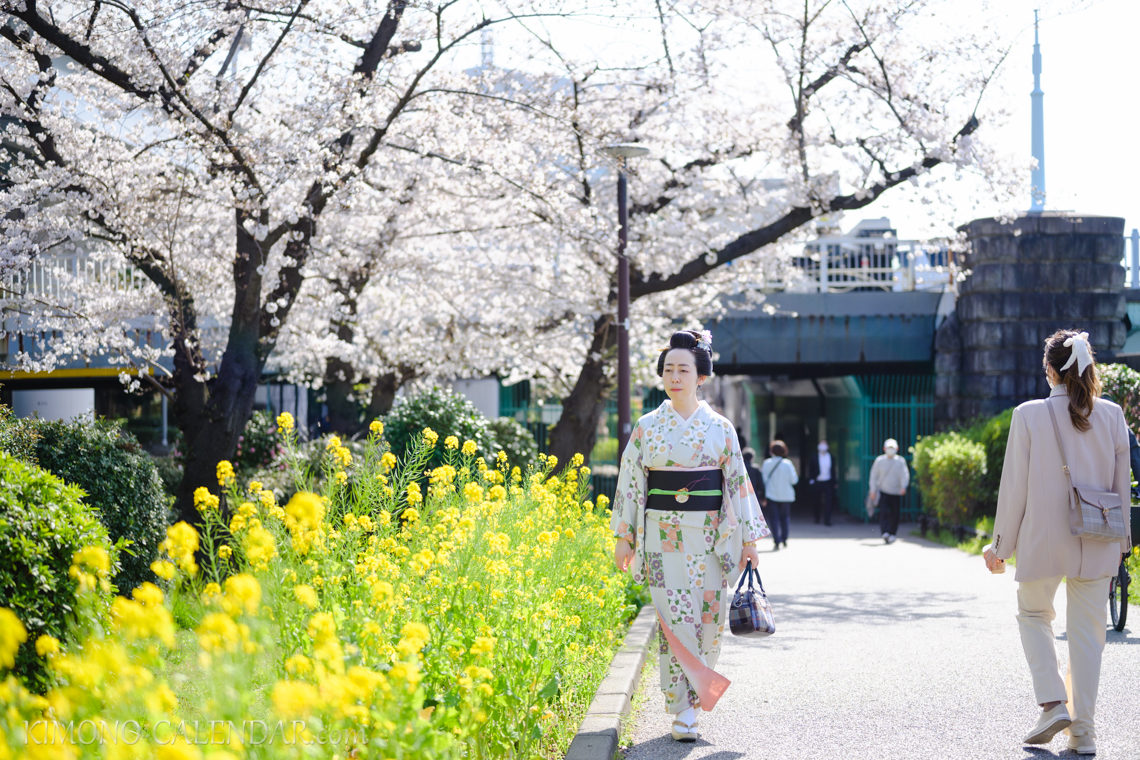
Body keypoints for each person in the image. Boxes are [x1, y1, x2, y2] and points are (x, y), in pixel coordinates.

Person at [611, 329, 768, 743]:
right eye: (668, 369)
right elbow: (631, 482)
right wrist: (623, 535)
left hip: (712, 539)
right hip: (663, 537)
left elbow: (737, 482)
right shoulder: (647, 427)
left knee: (708, 622)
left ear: (701, 376)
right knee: (676, 620)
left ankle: (695, 699)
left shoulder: (720, 427)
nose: (674, 376)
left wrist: (750, 540)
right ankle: (682, 709)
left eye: (683, 369)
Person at [984, 330, 1132, 755]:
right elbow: (1121, 488)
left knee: (1033, 614)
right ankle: (1083, 735)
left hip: (1044, 538)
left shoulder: (1028, 415)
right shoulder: (1112, 415)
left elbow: (1014, 490)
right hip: (1099, 536)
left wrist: (1000, 547)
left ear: (1050, 370)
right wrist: (1120, 546)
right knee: (1088, 637)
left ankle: (1052, 702)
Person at [869, 438, 909, 543]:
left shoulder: (900, 461)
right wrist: (872, 490)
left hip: (896, 492)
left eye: (892, 448)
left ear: (897, 449)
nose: (890, 450)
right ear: (884, 448)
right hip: (883, 491)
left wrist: (903, 486)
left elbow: (904, 475)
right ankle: (885, 532)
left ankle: (893, 533)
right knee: (883, 513)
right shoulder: (879, 461)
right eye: (888, 448)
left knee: (895, 513)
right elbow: (873, 476)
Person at [760, 440, 797, 550]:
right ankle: (784, 539)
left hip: (771, 495)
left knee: (774, 519)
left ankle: (776, 540)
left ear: (771, 451)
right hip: (786, 496)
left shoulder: (767, 463)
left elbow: (764, 480)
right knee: (785, 518)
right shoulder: (788, 464)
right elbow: (794, 480)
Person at [806, 440, 838, 526]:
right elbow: (811, 469)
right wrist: (811, 480)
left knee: (829, 501)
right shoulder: (814, 457)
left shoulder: (831, 457)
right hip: (817, 482)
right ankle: (817, 517)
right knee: (816, 501)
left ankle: (827, 520)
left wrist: (834, 482)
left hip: (828, 482)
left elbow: (833, 471)